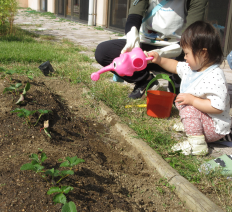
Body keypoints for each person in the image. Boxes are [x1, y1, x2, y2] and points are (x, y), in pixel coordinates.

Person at [95, 0, 209, 99]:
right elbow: (134, 16)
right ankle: (145, 80)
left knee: (197, 59)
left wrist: (162, 54)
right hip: (145, 46)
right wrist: (132, 36)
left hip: (177, 49)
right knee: (103, 52)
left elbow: (192, 34)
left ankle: (176, 82)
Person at [149, 21, 231, 155]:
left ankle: (197, 144)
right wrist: (159, 60)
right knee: (185, 104)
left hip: (214, 127)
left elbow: (217, 107)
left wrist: (192, 101)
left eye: (187, 53)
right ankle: (193, 126)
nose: (185, 57)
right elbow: (175, 66)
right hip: (205, 121)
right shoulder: (191, 68)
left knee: (188, 107)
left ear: (203, 53)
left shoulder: (215, 75)